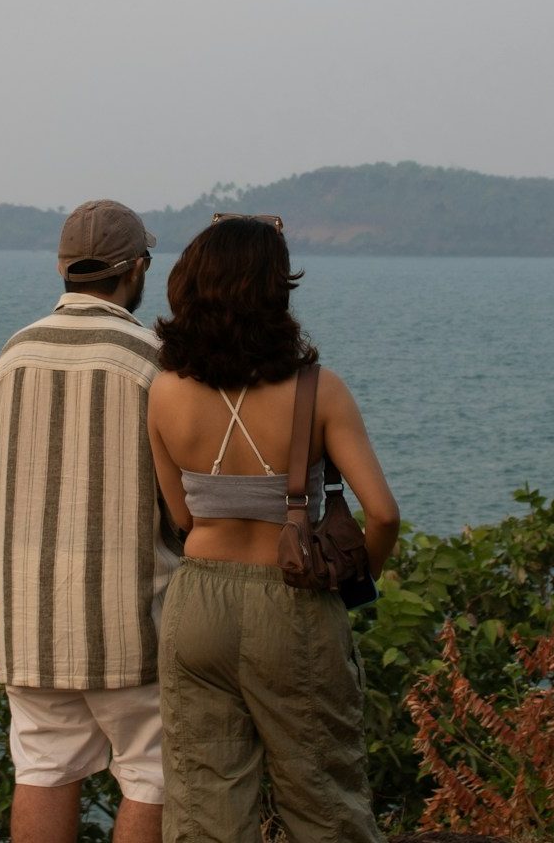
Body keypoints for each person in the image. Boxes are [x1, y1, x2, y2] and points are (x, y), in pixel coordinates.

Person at [147, 213, 400, 843]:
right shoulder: (321, 391)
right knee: (324, 802)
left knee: (203, 807)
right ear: (275, 292)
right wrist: (350, 585)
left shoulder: (164, 391)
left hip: (195, 603)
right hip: (292, 601)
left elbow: (182, 517)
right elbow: (383, 514)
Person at [0, 199, 181, 843]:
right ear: (138, 268)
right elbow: (182, 509)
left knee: (44, 768)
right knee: (154, 776)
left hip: (28, 624)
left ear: (62, 267)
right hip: (133, 625)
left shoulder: (13, 355)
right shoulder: (153, 359)